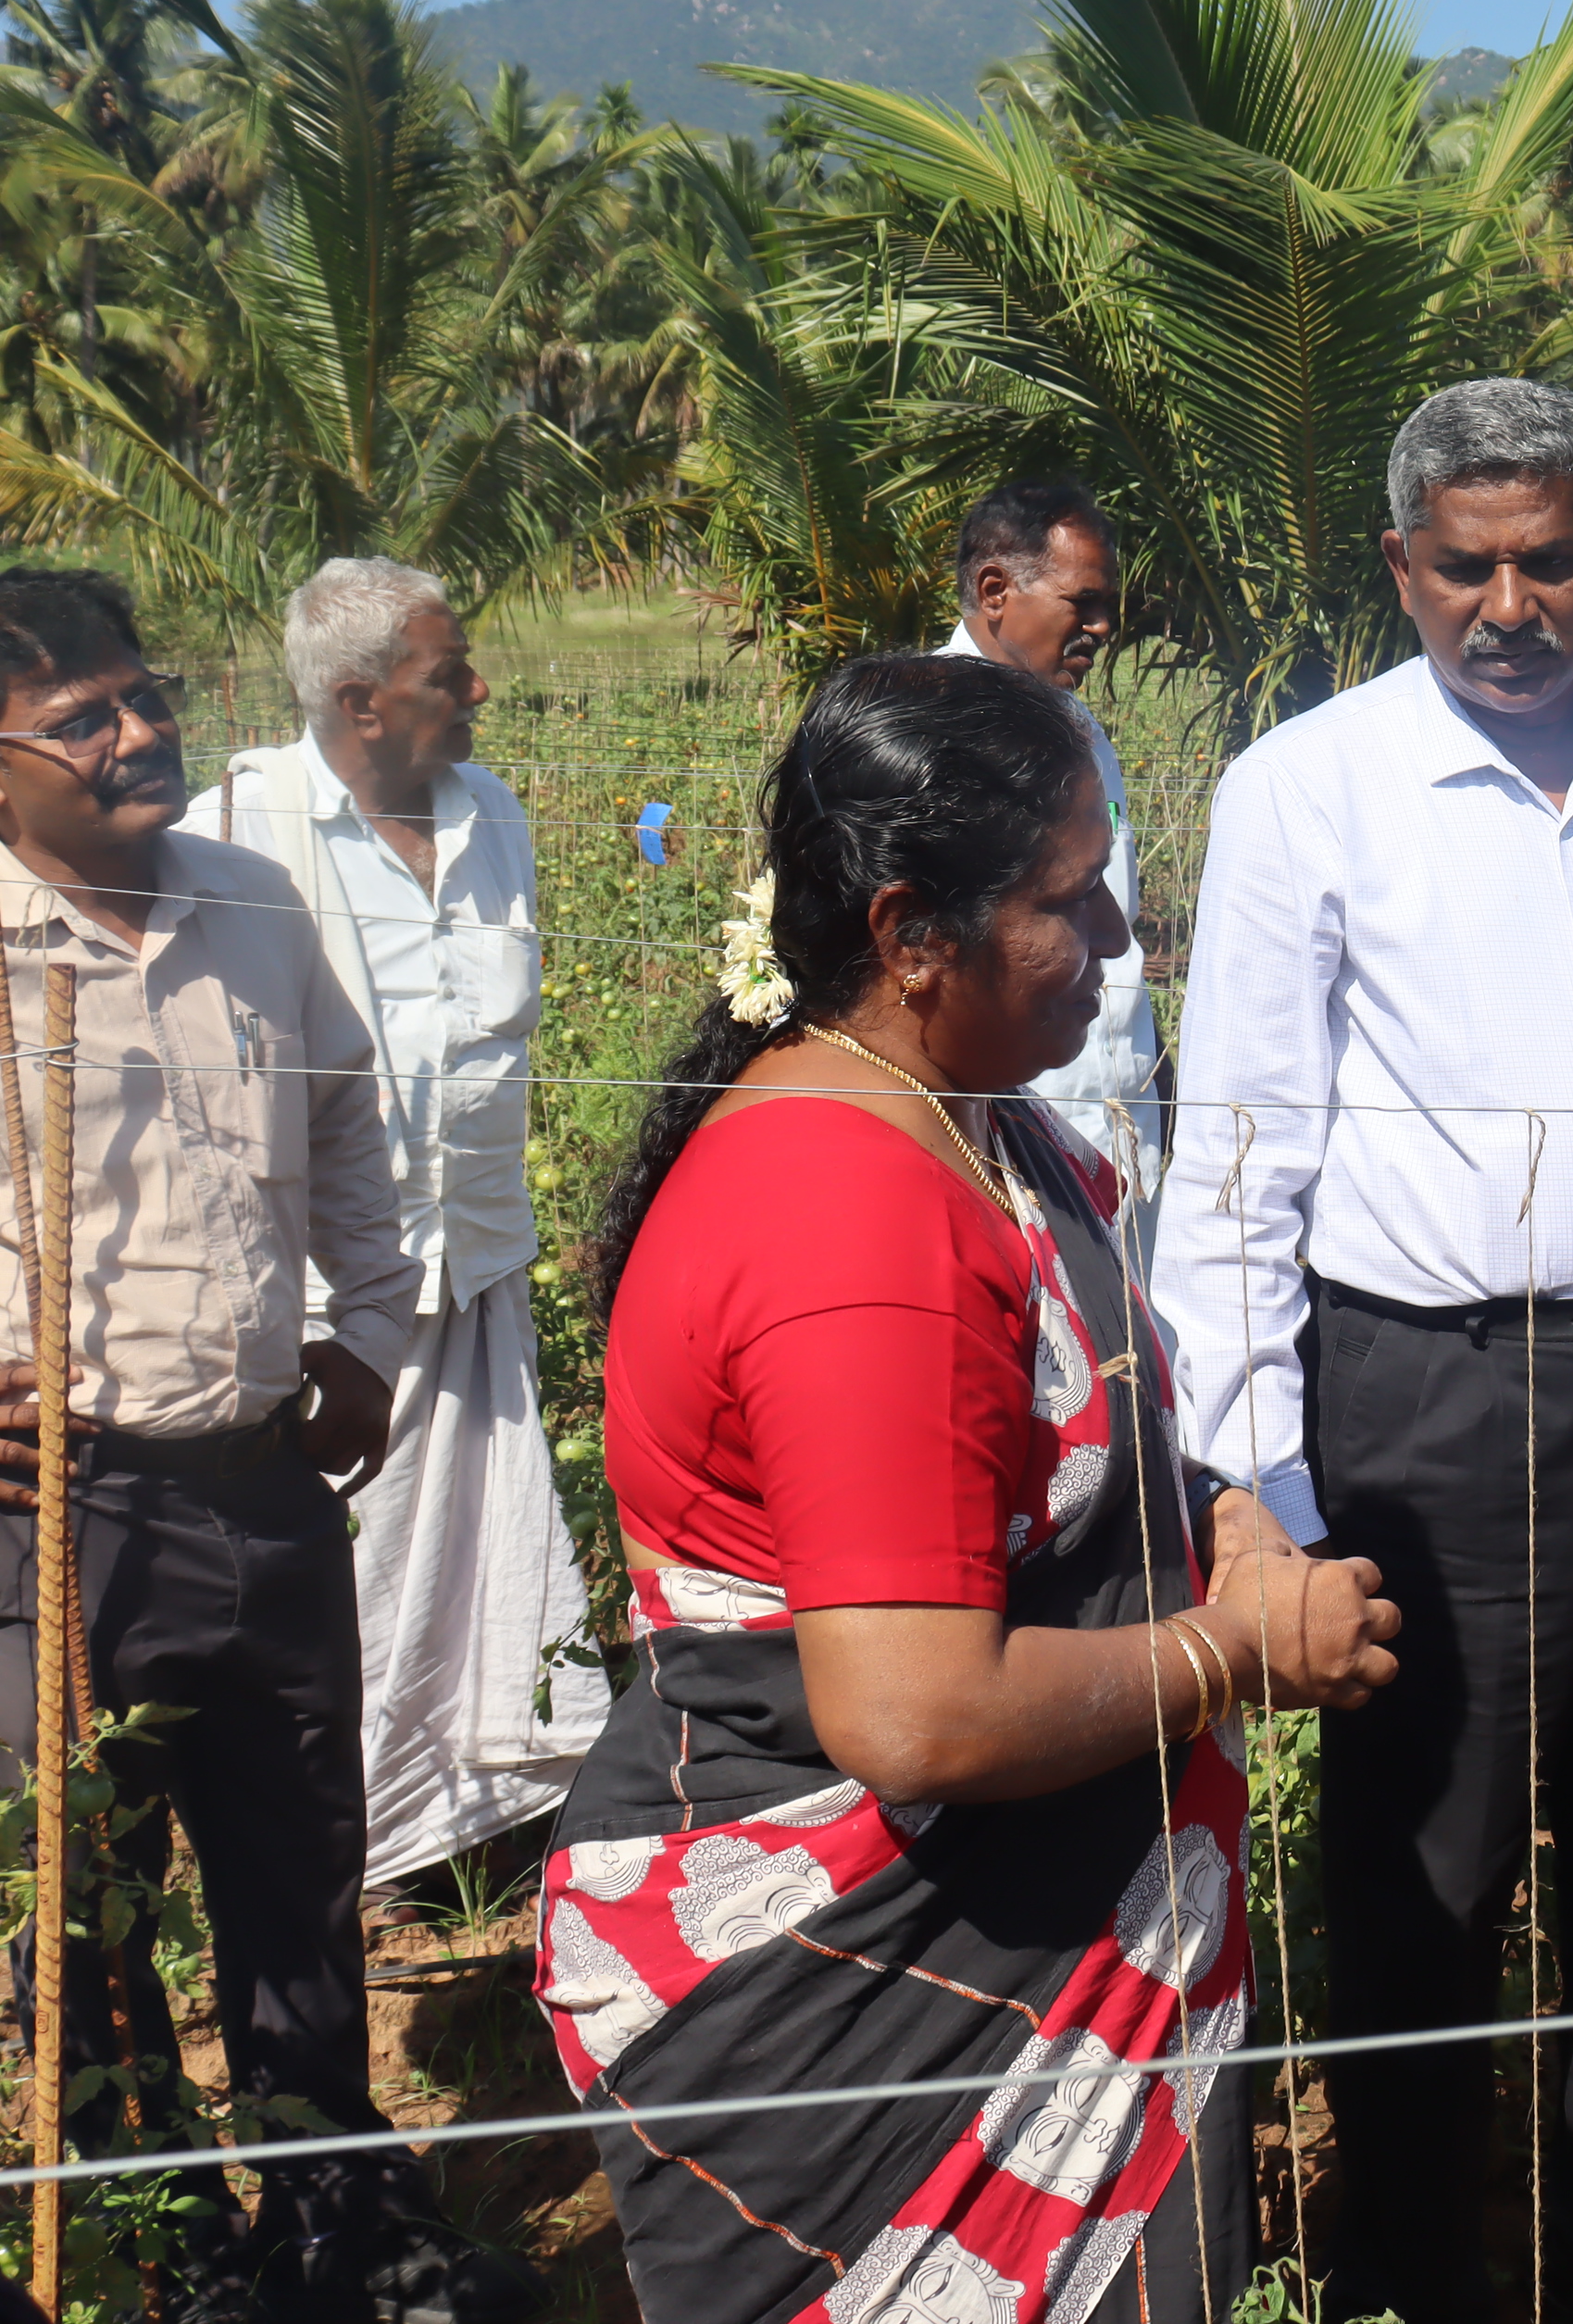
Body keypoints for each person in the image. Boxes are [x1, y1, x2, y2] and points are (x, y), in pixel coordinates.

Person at [537, 655, 1399, 2323]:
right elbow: (917, 1714)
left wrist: (1212, 1518)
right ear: (910, 933)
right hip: (877, 1987)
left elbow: (1059, 1439)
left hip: (1001, 1933)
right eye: (1070, 903)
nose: (1121, 942)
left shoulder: (948, 1120)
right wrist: (1235, 1651)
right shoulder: (852, 1225)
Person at [1160, 378, 1573, 2324]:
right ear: (1402, 564)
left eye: (1548, 562)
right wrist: (1261, 1484)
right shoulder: (1310, 789)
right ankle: (1421, 2264)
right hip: (1431, 1398)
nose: (1507, 607)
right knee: (1426, 1857)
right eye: (1465, 567)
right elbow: (1237, 1157)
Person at [0, 569, 537, 2323]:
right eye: (79, 719)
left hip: (264, 1476)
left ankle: (341, 2222)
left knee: (298, 1866)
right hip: (59, 1509)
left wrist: (367, 1337)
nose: (137, 733)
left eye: (142, 694)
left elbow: (353, 1135)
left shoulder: (250, 905)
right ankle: (165, 2243)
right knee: (87, 1905)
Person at [189, 556, 607, 1889]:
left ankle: (462, 1836)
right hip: (325, 1303)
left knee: (483, 1573)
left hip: (475, 1264)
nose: (478, 691)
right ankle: (335, 1853)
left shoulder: (495, 818)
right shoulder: (233, 831)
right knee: (338, 1585)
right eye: (447, 675)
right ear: (361, 703)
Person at [942, 479, 1165, 1200]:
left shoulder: (1079, 727)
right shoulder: (927, 736)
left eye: (1108, 605)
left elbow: (1112, 927)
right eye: (1083, 602)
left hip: (1120, 1110)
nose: (1102, 626)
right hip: (1003, 1126)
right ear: (996, 591)